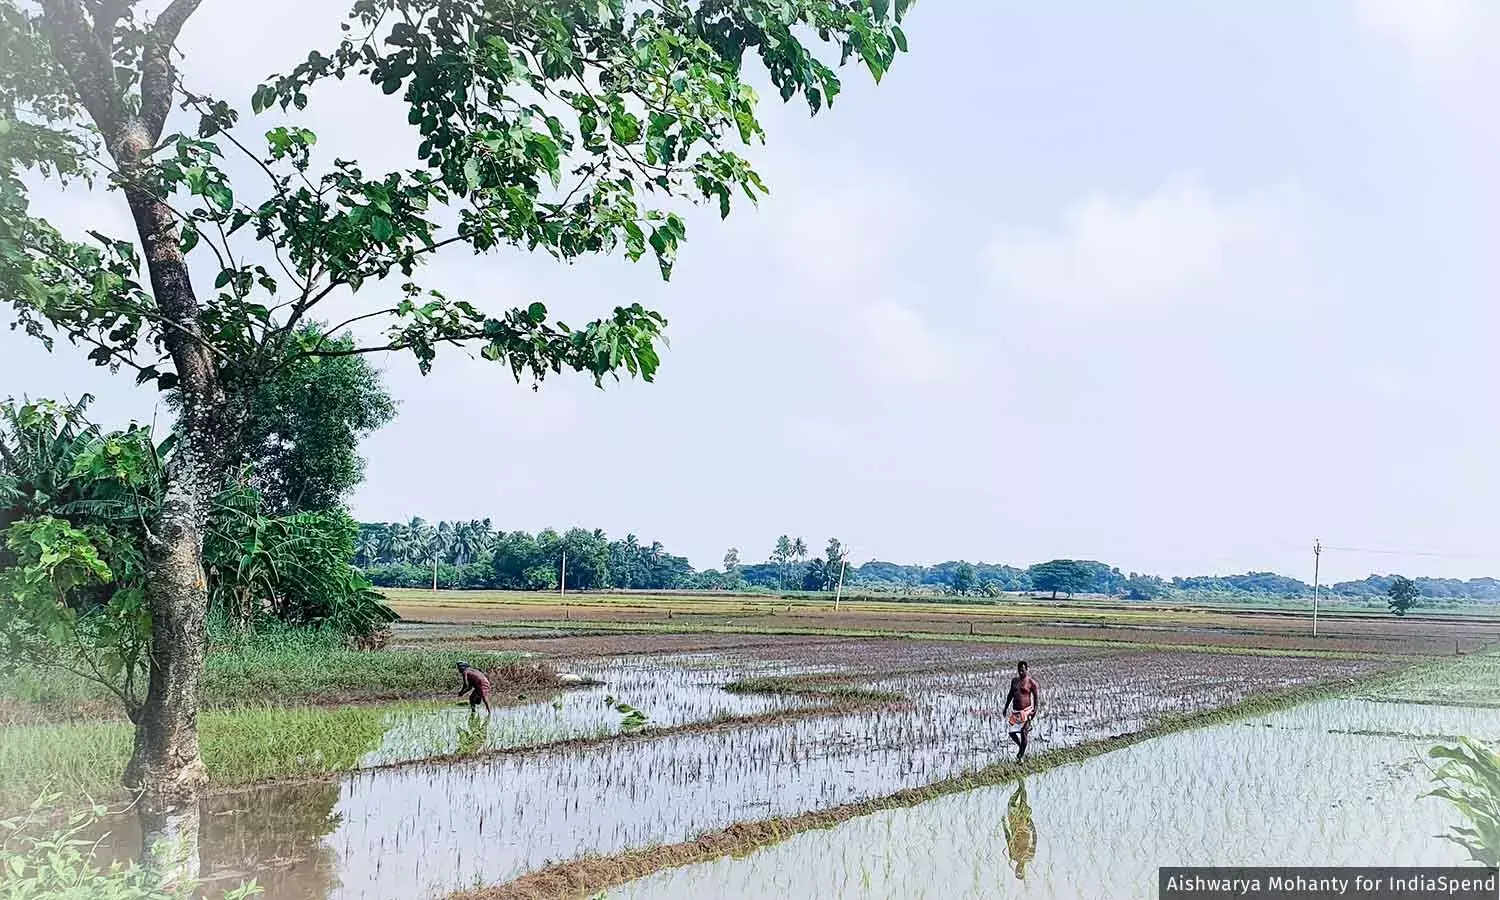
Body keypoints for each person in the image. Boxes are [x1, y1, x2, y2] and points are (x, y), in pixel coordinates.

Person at [1003, 660, 1039, 762]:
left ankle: (1020, 756)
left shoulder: (1031, 683)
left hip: (1027, 711)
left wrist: (1034, 711)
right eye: (1019, 671)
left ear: (1027, 669)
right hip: (1016, 712)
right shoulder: (1014, 681)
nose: (1021, 672)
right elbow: (1010, 695)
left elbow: (1036, 699)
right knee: (1012, 732)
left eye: (1023, 670)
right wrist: (1005, 707)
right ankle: (1021, 748)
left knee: (1024, 733)